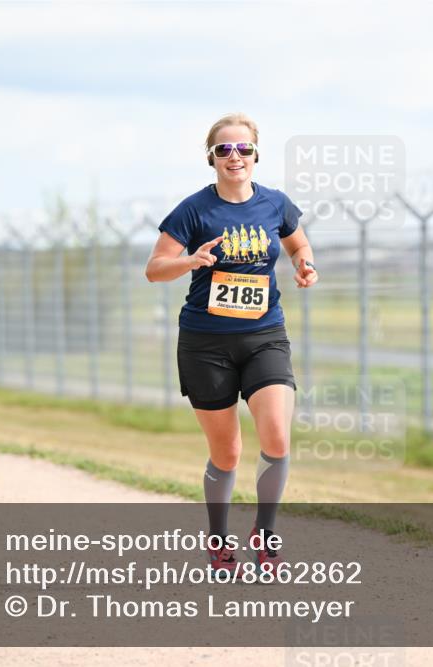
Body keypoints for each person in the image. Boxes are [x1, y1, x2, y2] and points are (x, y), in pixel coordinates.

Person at [145, 112, 318, 576]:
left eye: (243, 149)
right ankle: (219, 540)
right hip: (206, 343)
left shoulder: (275, 204)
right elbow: (154, 267)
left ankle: (265, 533)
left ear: (256, 155)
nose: (234, 157)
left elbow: (298, 245)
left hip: (264, 335)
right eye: (225, 149)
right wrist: (190, 261)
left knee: (277, 436)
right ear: (211, 158)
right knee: (227, 453)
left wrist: (305, 265)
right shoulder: (194, 210)